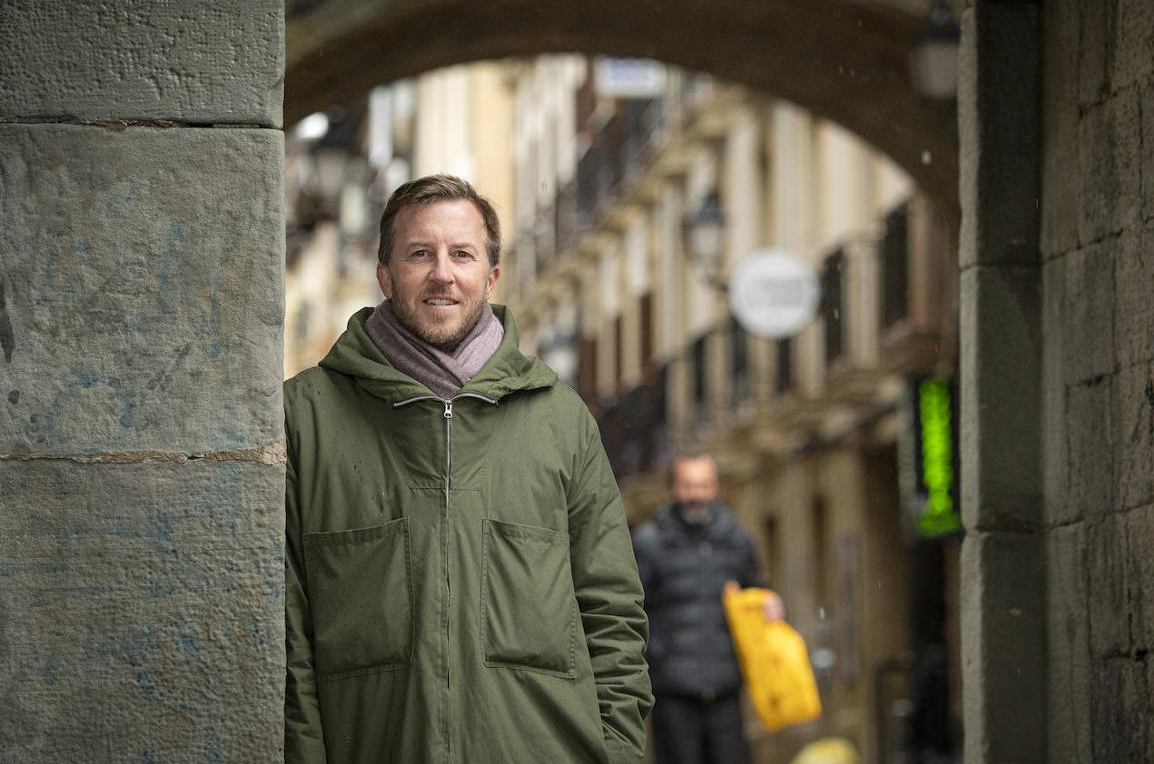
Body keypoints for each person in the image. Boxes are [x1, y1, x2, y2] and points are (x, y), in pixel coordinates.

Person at [283, 174, 652, 763]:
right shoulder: (304, 419)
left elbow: (611, 611)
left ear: (491, 275)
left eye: (462, 254)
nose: (442, 274)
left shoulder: (559, 420)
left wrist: (619, 753)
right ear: (385, 274)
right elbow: (288, 631)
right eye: (419, 254)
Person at [631, 453, 783, 764]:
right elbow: (633, 608)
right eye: (688, 486)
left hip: (725, 688)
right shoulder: (648, 543)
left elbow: (756, 589)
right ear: (672, 490)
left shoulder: (737, 540)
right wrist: (653, 659)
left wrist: (770, 601)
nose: (696, 495)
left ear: (715, 489)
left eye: (704, 486)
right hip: (672, 692)